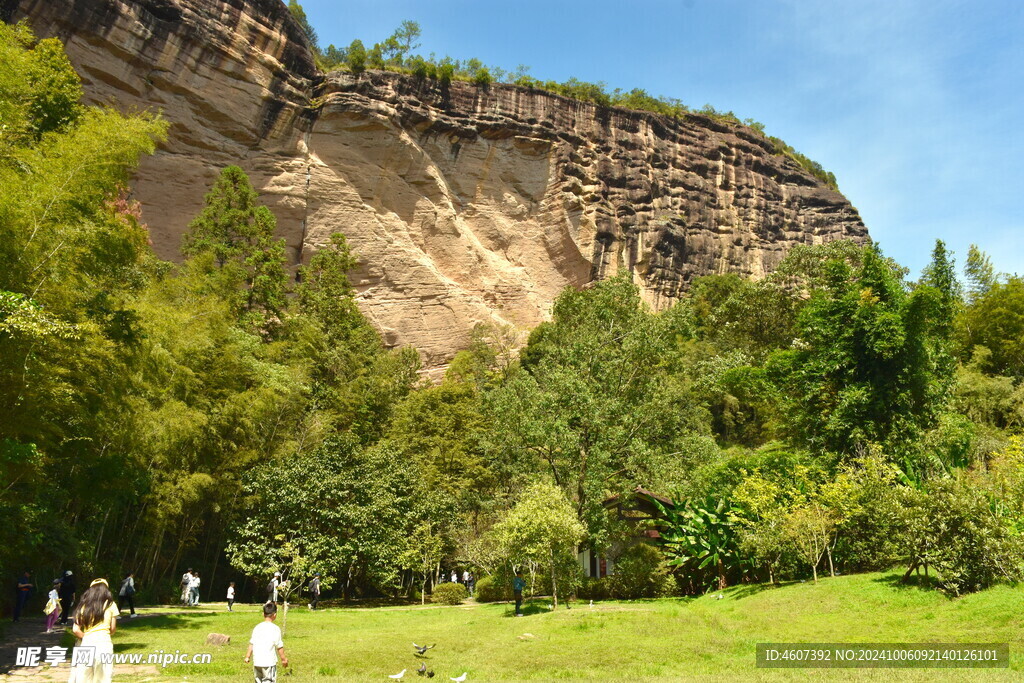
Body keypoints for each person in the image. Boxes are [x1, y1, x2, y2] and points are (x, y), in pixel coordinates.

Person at [68, 578, 119, 683]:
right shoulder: (111, 604)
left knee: (83, 679)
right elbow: (113, 629)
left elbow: (76, 629)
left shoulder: (84, 605)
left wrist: (87, 637)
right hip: (104, 644)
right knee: (103, 679)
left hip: (86, 644)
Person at [245, 601, 288, 683]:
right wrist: (283, 659)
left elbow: (252, 643)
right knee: (269, 680)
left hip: (257, 661)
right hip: (269, 662)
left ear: (263, 614)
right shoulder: (275, 629)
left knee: (258, 680)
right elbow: (279, 646)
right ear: (275, 615)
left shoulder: (257, 627)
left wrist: (247, 656)